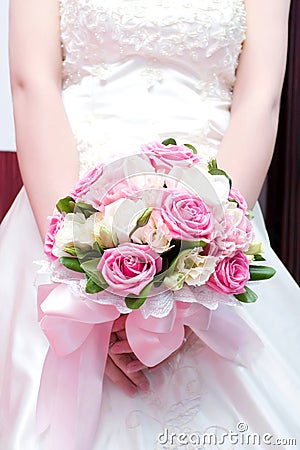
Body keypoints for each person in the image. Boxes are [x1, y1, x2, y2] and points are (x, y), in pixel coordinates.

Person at [1, 0, 300, 449]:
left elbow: (260, 100)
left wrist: (204, 259)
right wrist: (81, 275)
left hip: (215, 206)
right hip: (65, 202)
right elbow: (32, 86)